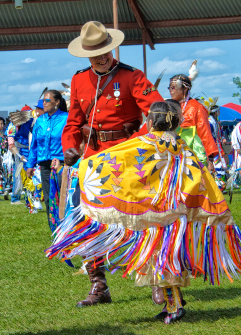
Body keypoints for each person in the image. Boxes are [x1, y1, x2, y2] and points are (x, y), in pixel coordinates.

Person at [46, 100, 241, 324]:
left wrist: (75, 166)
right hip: (175, 215)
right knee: (168, 259)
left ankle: (174, 306)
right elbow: (198, 175)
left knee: (161, 260)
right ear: (177, 125)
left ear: (149, 122)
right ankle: (173, 303)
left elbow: (111, 160)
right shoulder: (182, 147)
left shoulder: (142, 144)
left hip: (153, 216)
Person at [61, 20, 164, 307]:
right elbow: (73, 123)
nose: (102, 56)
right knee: (90, 222)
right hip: (94, 162)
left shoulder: (133, 77)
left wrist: (141, 142)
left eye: (105, 50)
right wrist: (70, 148)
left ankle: (155, 278)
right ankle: (99, 286)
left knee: (142, 219)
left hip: (129, 159)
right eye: (95, 52)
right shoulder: (79, 80)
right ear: (87, 54)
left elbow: (157, 112)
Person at [27, 90, 68, 224]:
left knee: (63, 197)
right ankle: (54, 229)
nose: (43, 103)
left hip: (62, 164)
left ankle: (67, 228)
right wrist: (30, 165)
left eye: (47, 100)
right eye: (43, 100)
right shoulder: (40, 120)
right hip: (45, 165)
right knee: (50, 198)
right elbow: (34, 144)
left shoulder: (66, 118)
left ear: (57, 102)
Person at [168, 74, 218, 171]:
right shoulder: (169, 107)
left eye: (173, 87)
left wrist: (210, 160)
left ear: (185, 89)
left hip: (192, 155)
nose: (170, 90)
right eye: (169, 87)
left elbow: (205, 133)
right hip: (171, 153)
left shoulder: (196, 107)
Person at [8, 105, 34, 205]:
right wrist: (13, 147)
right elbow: (10, 138)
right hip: (19, 151)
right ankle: (15, 198)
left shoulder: (33, 121)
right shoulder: (14, 124)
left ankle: (33, 197)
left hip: (31, 150)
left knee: (32, 172)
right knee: (18, 173)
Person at [208, 105, 227, 190]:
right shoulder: (210, 122)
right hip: (213, 147)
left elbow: (220, 132)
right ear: (215, 112)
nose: (219, 113)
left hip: (218, 147)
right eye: (218, 111)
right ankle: (218, 187)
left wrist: (223, 138)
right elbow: (209, 136)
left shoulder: (216, 121)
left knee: (221, 166)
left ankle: (220, 186)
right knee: (217, 166)